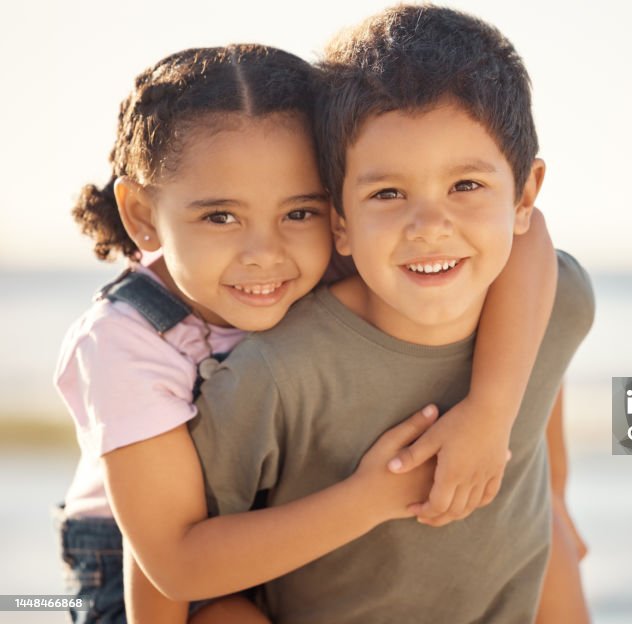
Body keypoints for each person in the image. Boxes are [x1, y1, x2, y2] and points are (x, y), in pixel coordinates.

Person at [54, 42, 559, 623]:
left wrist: (490, 414)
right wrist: (376, 496)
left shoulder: (333, 250)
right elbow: (174, 565)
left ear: (338, 211)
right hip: (151, 569)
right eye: (221, 217)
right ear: (143, 216)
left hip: (284, 534)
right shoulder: (123, 344)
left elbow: (528, 237)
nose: (266, 254)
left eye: (299, 212)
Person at [190, 5, 595, 622]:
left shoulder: (558, 299)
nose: (429, 226)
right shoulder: (277, 375)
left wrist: (554, 498)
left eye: (466, 186)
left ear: (525, 195)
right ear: (340, 221)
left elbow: (548, 366)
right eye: (388, 193)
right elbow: (194, 573)